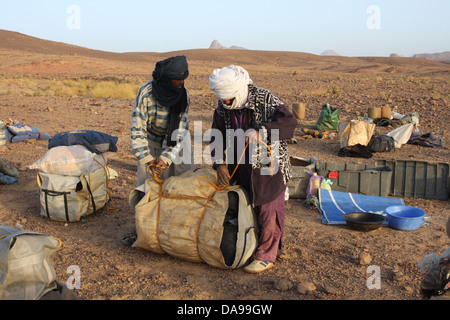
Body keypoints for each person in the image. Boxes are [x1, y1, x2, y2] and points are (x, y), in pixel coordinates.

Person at [208, 65, 297, 273]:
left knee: (268, 208)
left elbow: (289, 122)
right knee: (246, 203)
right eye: (224, 99)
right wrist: (220, 163)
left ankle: (267, 254)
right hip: (240, 164)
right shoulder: (223, 108)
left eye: (229, 98)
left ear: (238, 91)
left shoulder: (264, 99)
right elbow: (216, 136)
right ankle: (254, 246)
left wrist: (263, 132)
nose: (226, 103)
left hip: (268, 164)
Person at [131, 55, 193, 188]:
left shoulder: (183, 95)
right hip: (150, 141)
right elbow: (138, 130)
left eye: (183, 78)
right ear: (166, 79)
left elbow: (179, 131)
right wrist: (149, 160)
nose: (181, 82)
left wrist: (165, 159)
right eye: (177, 79)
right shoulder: (146, 94)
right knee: (148, 186)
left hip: (177, 142)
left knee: (183, 185)